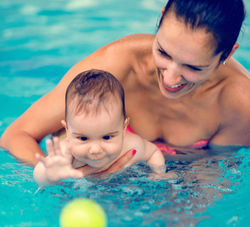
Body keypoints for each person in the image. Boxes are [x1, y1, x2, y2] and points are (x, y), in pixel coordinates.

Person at [0, 0, 249, 175]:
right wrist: (55, 171)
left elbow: (215, 175)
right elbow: (15, 135)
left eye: (193, 68)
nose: (171, 79)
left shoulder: (240, 102)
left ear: (228, 53)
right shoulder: (115, 65)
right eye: (163, 52)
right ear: (161, 18)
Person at [33, 69, 168, 186]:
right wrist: (49, 176)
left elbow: (153, 152)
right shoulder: (66, 154)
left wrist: (158, 174)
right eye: (83, 138)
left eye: (107, 137)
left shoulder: (133, 146)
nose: (95, 149)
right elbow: (39, 175)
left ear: (124, 128)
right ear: (68, 131)